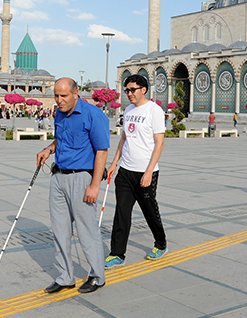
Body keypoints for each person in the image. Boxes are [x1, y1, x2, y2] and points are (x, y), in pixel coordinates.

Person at [36, 77, 109, 294]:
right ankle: (66, 276)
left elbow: (102, 151)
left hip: (81, 178)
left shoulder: (93, 115)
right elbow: (61, 138)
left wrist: (95, 185)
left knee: (86, 229)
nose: (59, 100)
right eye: (56, 96)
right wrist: (48, 149)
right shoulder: (59, 112)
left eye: (63, 96)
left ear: (76, 93)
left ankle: (97, 275)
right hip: (59, 177)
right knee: (59, 229)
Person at [104, 74, 168, 270]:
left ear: (143, 89)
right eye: (127, 90)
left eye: (133, 90)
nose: (129, 93)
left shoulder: (154, 111)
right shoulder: (129, 110)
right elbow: (124, 138)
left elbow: (159, 143)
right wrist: (114, 163)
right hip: (126, 171)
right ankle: (117, 254)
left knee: (150, 211)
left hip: (145, 172)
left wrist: (149, 172)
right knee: (121, 212)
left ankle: (161, 243)